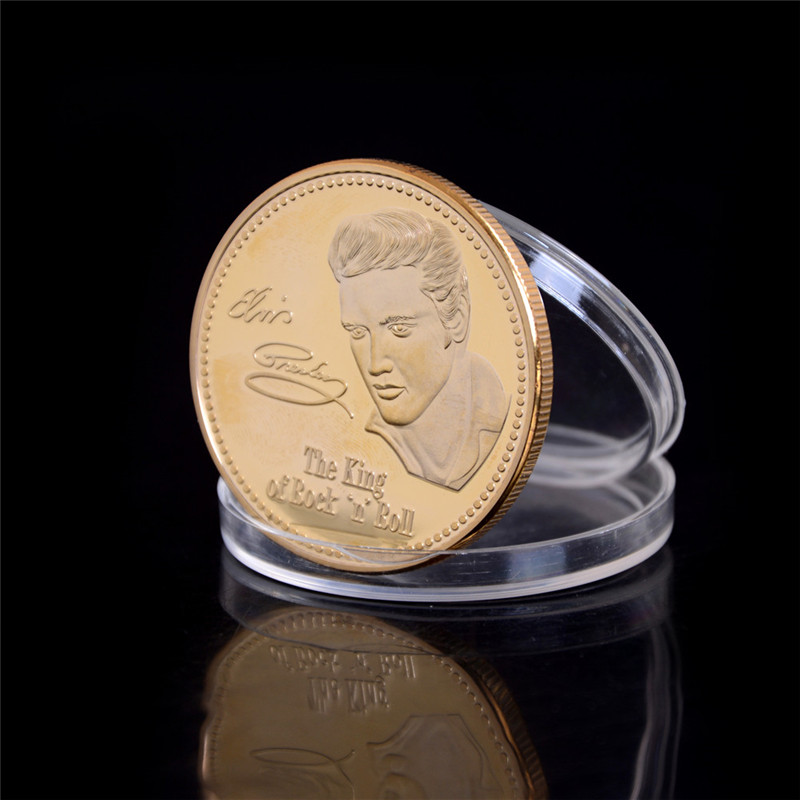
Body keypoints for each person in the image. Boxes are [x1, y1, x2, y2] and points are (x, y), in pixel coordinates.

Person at [328, 208, 508, 490]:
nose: (375, 364)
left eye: (399, 328)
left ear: (456, 319)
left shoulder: (503, 419)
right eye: (358, 332)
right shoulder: (346, 440)